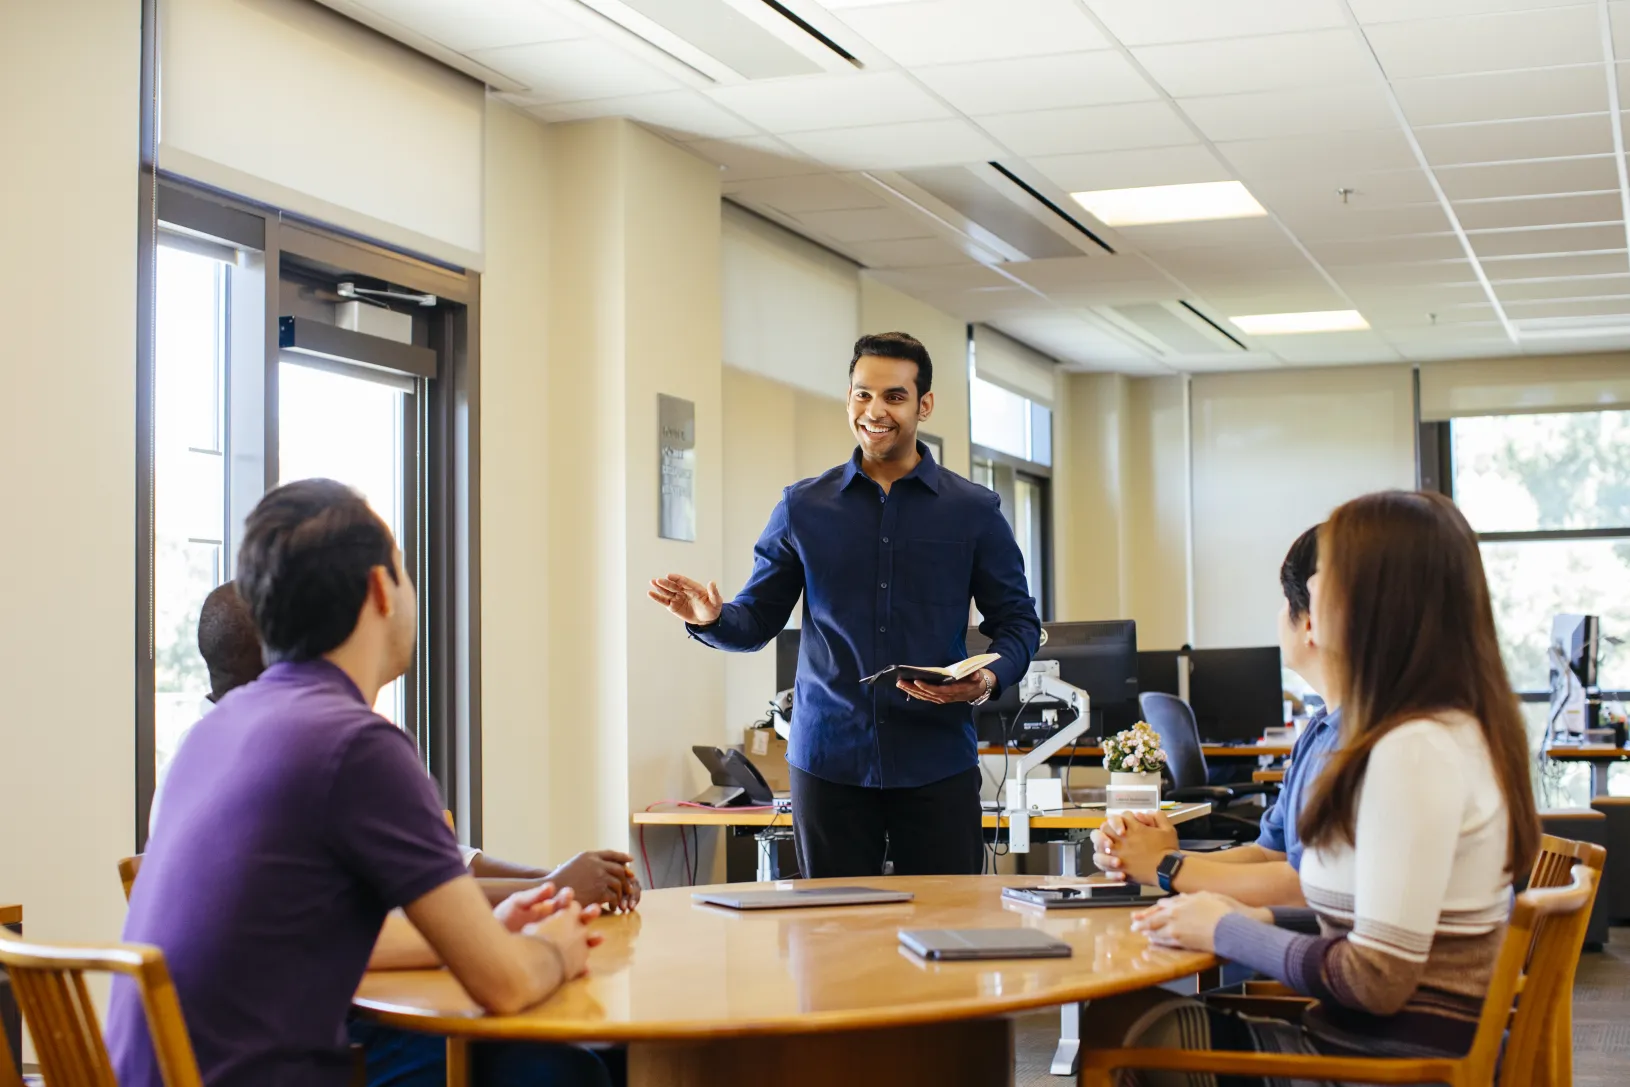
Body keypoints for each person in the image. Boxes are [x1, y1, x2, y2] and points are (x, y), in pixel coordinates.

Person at [109, 479, 614, 1087]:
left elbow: (306, 938)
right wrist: (558, 945)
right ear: (380, 588)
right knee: (564, 1073)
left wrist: (496, 926)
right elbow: (505, 984)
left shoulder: (209, 736)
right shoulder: (356, 746)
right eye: (404, 572)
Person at [1093, 490, 1541, 1079]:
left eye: (1329, 576)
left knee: (1135, 1040)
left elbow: (1375, 979)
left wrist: (1227, 928)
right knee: (1131, 1017)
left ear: (1380, 602)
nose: (1304, 598)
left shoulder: (1412, 751)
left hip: (1390, 1067)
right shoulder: (1433, 731)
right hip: (1382, 1045)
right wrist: (1264, 923)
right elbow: (1375, 926)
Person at [649, 332, 1041, 878]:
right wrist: (711, 620)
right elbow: (758, 619)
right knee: (830, 940)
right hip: (828, 762)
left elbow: (1018, 622)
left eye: (894, 397)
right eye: (862, 394)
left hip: (936, 762)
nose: (874, 411)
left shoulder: (973, 511)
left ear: (924, 405)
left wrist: (988, 679)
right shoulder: (802, 507)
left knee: (947, 937)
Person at [152, 583, 641, 914]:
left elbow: (438, 864)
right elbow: (408, 909)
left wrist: (559, 879)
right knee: (563, 1064)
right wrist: (553, 890)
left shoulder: (193, 755)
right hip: (305, 1047)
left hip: (213, 1043)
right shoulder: (307, 755)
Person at [1091, 524, 1339, 906]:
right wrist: (1160, 858)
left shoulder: (1359, 744)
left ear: (1308, 621)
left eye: (1284, 601)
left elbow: (1307, 888)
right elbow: (1268, 854)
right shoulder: (1319, 731)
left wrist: (1165, 867)